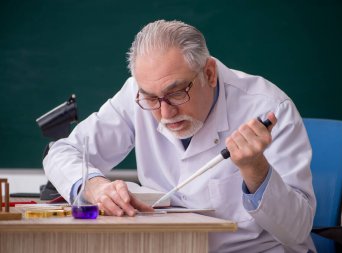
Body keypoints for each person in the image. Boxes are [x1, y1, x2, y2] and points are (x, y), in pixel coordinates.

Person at [44, 20, 316, 252]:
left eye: (176, 93)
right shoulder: (138, 95)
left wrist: (256, 169)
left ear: (209, 73)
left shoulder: (267, 109)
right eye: (152, 98)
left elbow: (297, 231)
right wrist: (94, 186)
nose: (165, 112)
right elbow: (61, 151)